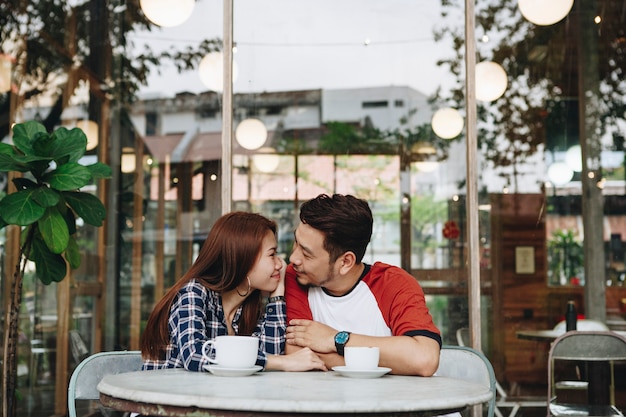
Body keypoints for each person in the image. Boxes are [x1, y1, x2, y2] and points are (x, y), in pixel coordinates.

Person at [141, 211, 326, 372]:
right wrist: (284, 362)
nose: (281, 264)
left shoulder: (246, 308)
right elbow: (194, 355)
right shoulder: (194, 293)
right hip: (162, 405)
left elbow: (271, 351)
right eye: (272, 254)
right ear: (244, 259)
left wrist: (277, 294)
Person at [285, 194, 441, 376]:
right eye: (296, 242)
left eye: (306, 253)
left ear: (345, 262)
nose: (293, 258)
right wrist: (393, 363)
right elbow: (297, 354)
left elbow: (424, 359)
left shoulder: (393, 283)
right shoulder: (297, 276)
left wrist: (335, 339)